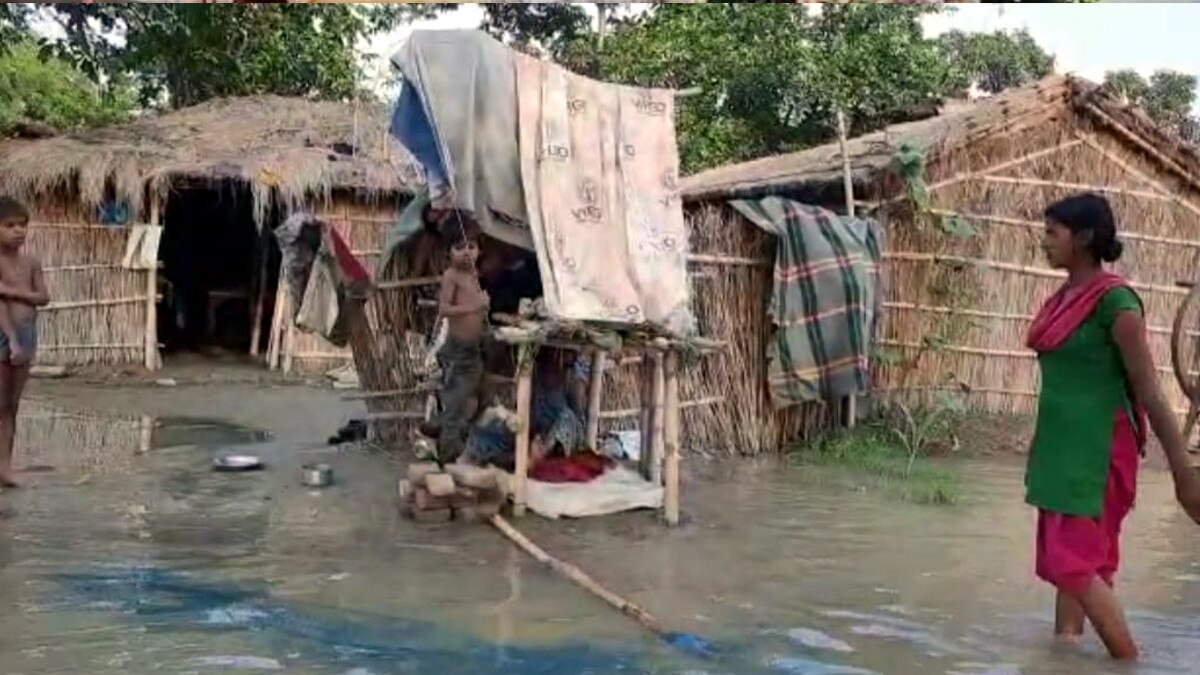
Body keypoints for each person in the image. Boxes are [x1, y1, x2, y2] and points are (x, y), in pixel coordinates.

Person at [1026, 192, 1200, 660]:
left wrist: (1184, 474)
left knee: (1074, 561)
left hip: (1098, 449)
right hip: (1061, 448)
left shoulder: (1116, 305)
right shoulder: (1063, 298)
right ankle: (1066, 653)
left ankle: (1128, 662)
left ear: (1082, 239)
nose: (1043, 242)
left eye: (1052, 233)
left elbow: (1150, 392)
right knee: (1077, 564)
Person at [0, 197, 50, 488]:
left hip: (27, 333)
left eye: (22, 226)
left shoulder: (31, 262)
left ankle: (5, 466)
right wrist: (12, 342)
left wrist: (10, 290)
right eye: (10, 226)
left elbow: (43, 297)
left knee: (12, 407)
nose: (18, 231)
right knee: (0, 404)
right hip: (5, 335)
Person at [430, 224, 489, 465]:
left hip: (473, 350)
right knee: (455, 403)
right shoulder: (451, 276)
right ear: (449, 252)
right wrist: (474, 308)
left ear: (479, 251)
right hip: (457, 351)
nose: (466, 252)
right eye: (459, 247)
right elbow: (444, 309)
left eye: (471, 247)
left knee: (468, 398)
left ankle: (437, 428)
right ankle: (447, 455)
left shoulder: (474, 275)